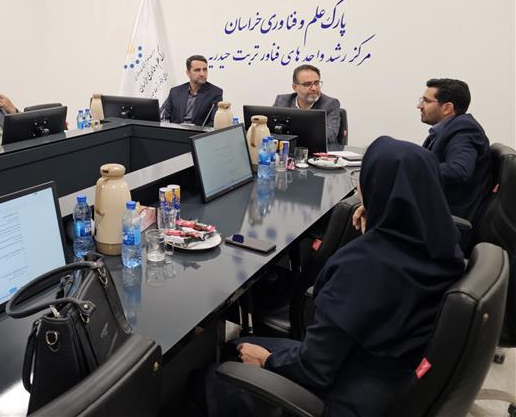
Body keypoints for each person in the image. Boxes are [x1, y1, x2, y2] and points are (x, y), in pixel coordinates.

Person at [189, 137, 465, 417]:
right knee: (235, 347)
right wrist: (379, 217)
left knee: (205, 380)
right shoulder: (444, 246)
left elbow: (314, 369)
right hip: (388, 376)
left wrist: (268, 361)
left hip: (342, 395)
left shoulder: (364, 266)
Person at [417, 78, 491, 222]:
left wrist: (414, 169)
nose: (419, 106)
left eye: (426, 101)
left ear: (447, 108)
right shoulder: (444, 131)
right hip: (430, 209)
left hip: (444, 219)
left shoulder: (464, 130)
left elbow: (459, 170)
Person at [273, 64, 341, 145]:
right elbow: (272, 131)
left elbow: (329, 135)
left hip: (319, 151)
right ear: (295, 87)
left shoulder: (330, 104)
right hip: (288, 150)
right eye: (307, 84)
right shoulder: (282, 101)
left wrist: (293, 138)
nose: (314, 88)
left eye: (316, 83)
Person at [160, 55, 223, 126]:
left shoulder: (215, 93)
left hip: (198, 132)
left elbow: (214, 122)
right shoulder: (175, 92)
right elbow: (163, 116)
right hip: (175, 131)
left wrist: (195, 129)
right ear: (188, 73)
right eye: (197, 70)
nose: (202, 74)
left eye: (205, 69)